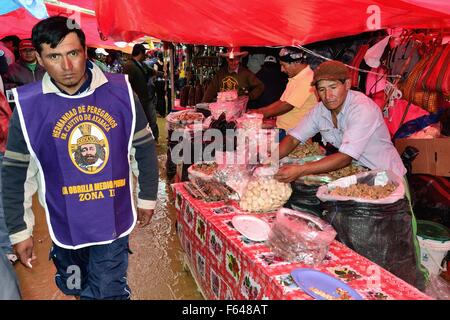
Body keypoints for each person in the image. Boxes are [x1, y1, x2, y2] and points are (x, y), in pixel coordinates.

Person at [2, 16, 159, 300]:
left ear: (85, 51)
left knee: (108, 291)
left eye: (73, 53)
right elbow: (16, 174)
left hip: (113, 221)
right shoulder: (28, 106)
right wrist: (19, 231)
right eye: (54, 56)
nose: (66, 66)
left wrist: (147, 197)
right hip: (64, 224)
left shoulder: (120, 91)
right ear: (39, 57)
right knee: (77, 287)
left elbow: (144, 148)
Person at [274, 60, 407, 182]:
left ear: (347, 84)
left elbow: (345, 157)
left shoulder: (361, 109)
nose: (328, 96)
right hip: (359, 177)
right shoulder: (320, 110)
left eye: (333, 87)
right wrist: (269, 161)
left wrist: (300, 170)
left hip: (388, 178)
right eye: (322, 89)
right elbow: (293, 139)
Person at [251, 47, 318, 139]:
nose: (282, 70)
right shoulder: (296, 78)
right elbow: (282, 102)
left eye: (284, 65)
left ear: (296, 63)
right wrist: (260, 112)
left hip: (294, 135)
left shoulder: (307, 79)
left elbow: (287, 105)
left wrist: (260, 114)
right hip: (283, 129)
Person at [123, 43, 159, 142]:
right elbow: (126, 84)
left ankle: (153, 139)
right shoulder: (129, 66)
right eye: (144, 53)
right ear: (140, 53)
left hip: (146, 98)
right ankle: (146, 141)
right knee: (141, 122)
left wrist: (158, 73)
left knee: (151, 120)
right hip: (138, 100)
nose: (145, 56)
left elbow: (151, 71)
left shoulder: (141, 64)